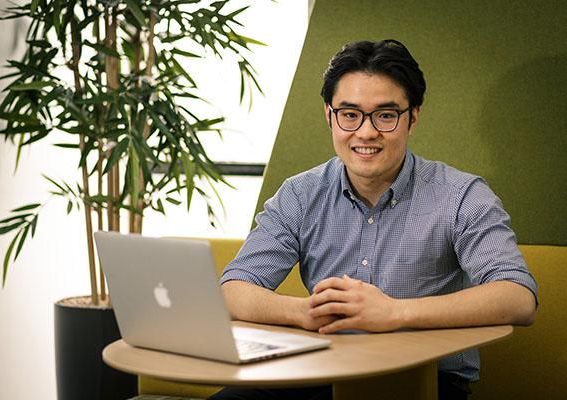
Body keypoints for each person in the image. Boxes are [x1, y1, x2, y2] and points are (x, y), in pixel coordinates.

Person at [210, 39, 538, 400]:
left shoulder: (461, 195)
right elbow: (232, 291)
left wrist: (394, 312)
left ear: (413, 117)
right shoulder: (300, 195)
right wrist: (306, 312)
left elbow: (518, 298)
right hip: (319, 374)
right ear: (329, 115)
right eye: (349, 114)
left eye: (385, 115)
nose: (365, 133)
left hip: (421, 383)